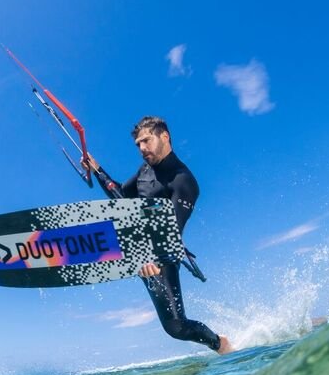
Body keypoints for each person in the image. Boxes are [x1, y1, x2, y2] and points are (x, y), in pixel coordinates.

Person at [85, 116, 234, 355]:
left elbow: (173, 229)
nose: (142, 148)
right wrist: (97, 169)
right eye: (138, 144)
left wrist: (151, 258)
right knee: (172, 327)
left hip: (164, 255)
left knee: (176, 327)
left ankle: (220, 344)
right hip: (142, 253)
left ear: (165, 136)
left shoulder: (183, 180)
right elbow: (123, 197)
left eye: (147, 140)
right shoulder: (145, 170)